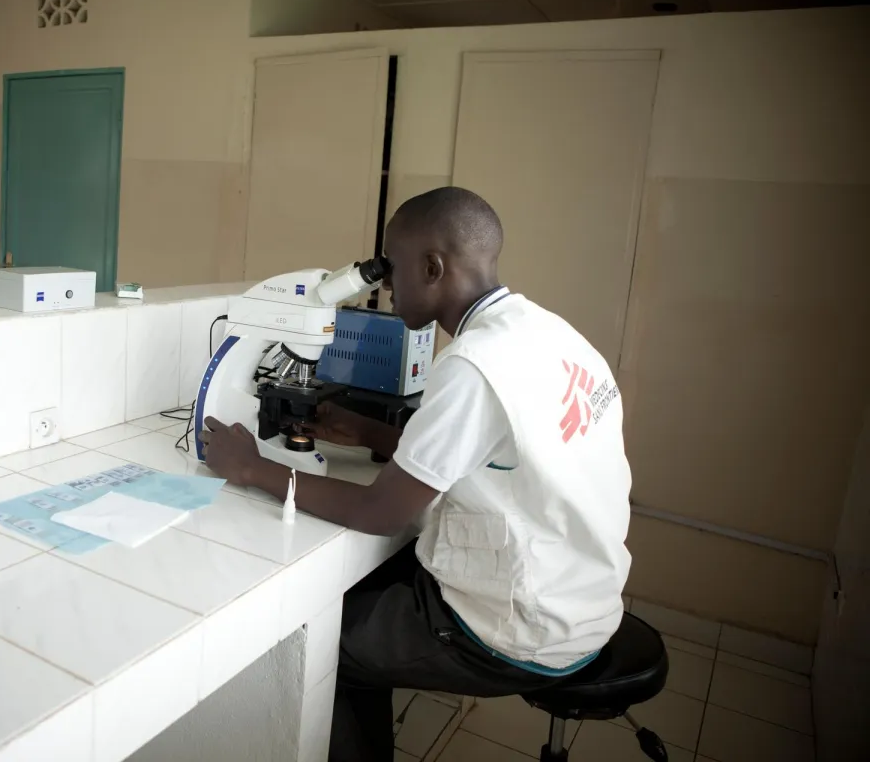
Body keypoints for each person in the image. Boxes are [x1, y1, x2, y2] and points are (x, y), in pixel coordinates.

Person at [202, 187, 632, 762]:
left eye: (392, 267)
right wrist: (369, 432)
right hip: (585, 595)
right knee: (357, 592)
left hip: (523, 628)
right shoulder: (545, 332)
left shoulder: (473, 365)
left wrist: (253, 469)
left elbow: (381, 515)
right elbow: (495, 452)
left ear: (432, 267)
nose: (384, 284)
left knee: (319, 644)